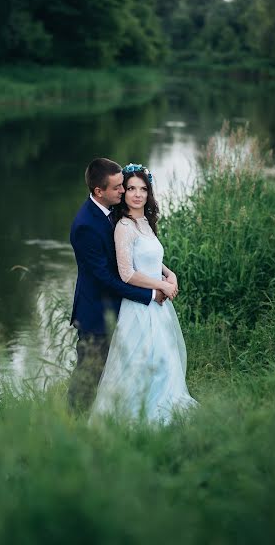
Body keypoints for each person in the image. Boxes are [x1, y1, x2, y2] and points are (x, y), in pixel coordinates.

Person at [89, 163, 198, 425]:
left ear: (149, 193)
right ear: (123, 193)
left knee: (164, 360)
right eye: (131, 189)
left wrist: (169, 274)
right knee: (139, 364)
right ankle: (134, 418)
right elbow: (127, 273)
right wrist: (160, 286)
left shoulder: (146, 223)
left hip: (158, 307)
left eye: (143, 189)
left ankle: (165, 408)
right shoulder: (123, 227)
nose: (137, 194)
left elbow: (150, 258)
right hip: (138, 308)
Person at [68, 158, 166, 412]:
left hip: (121, 310)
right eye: (118, 188)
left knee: (117, 372)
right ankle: (72, 425)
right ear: (98, 191)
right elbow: (107, 279)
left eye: (124, 185)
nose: (124, 191)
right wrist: (150, 294)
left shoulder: (112, 212)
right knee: (89, 374)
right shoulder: (85, 226)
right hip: (97, 313)